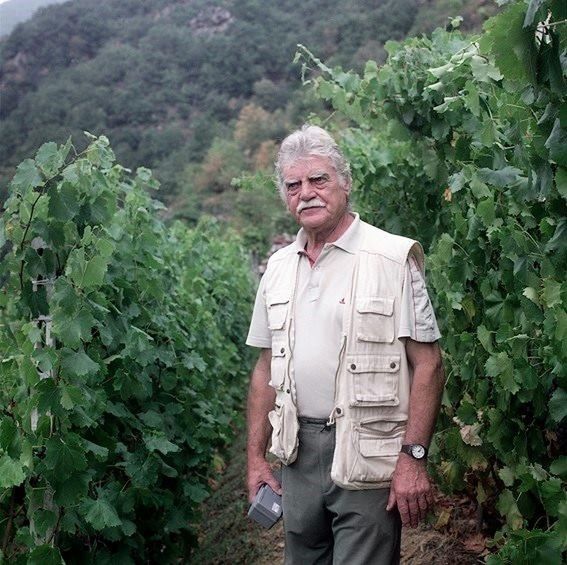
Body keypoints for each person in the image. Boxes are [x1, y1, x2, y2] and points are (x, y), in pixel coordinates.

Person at [246, 124, 444, 564]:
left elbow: (428, 364)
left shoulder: (392, 258)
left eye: (319, 180)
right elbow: (264, 368)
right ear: (285, 196)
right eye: (294, 185)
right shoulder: (277, 268)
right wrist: (256, 459)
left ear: (345, 182)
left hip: (369, 452)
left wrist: (413, 457)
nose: (307, 193)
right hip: (297, 451)